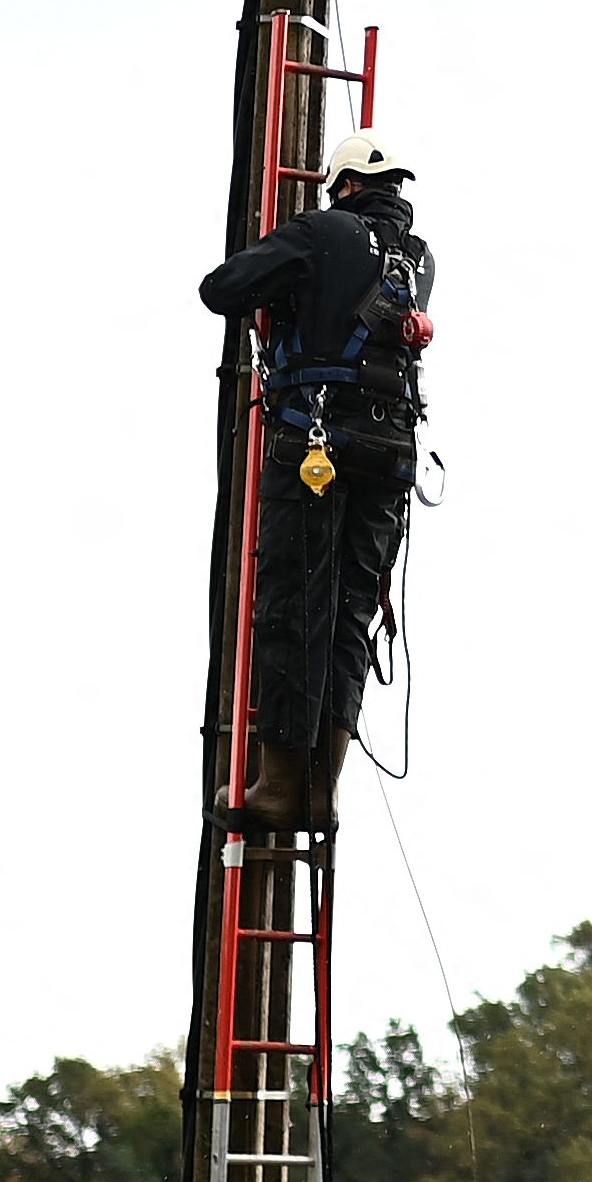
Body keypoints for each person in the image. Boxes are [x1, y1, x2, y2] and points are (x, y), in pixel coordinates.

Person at [193, 125, 435, 825]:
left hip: (316, 443)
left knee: (296, 605)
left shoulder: (323, 230)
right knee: (352, 618)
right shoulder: (420, 258)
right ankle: (321, 796)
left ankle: (278, 789)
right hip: (391, 456)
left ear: (348, 186)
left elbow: (223, 289)